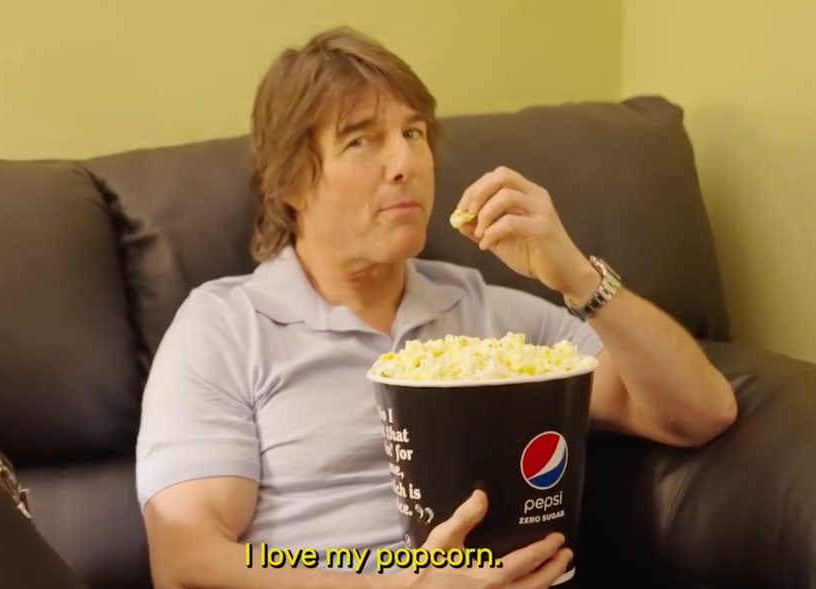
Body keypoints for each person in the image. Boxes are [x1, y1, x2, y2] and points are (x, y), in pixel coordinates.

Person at [135, 26, 738, 589]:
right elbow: (188, 557)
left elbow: (700, 412)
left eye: (414, 133)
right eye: (361, 139)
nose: (405, 165)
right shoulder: (225, 328)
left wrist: (579, 278)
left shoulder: (497, 321)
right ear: (290, 181)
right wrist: (392, 583)